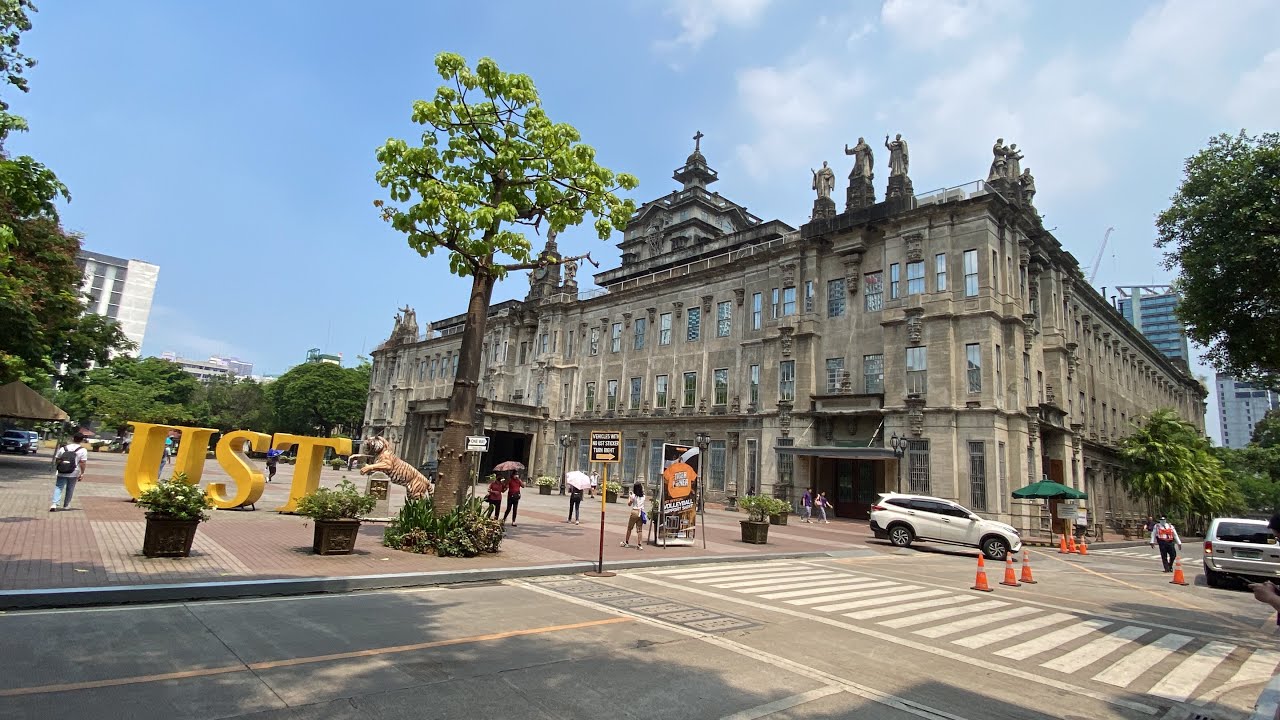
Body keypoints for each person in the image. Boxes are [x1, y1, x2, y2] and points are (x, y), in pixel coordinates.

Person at [50, 432, 88, 512]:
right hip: (74, 471)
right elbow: (82, 462)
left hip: (62, 471)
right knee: (70, 488)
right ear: (82, 440)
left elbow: (57, 458)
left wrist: (60, 466)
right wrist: (82, 473)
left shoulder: (64, 448)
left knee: (59, 486)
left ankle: (54, 504)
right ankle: (66, 505)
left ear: (72, 438)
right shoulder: (83, 450)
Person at [621, 482, 645, 549]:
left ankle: (626, 542)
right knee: (639, 529)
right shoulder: (643, 496)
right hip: (641, 512)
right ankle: (639, 544)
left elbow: (629, 504)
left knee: (629, 528)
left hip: (635, 511)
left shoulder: (634, 496)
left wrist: (629, 497)